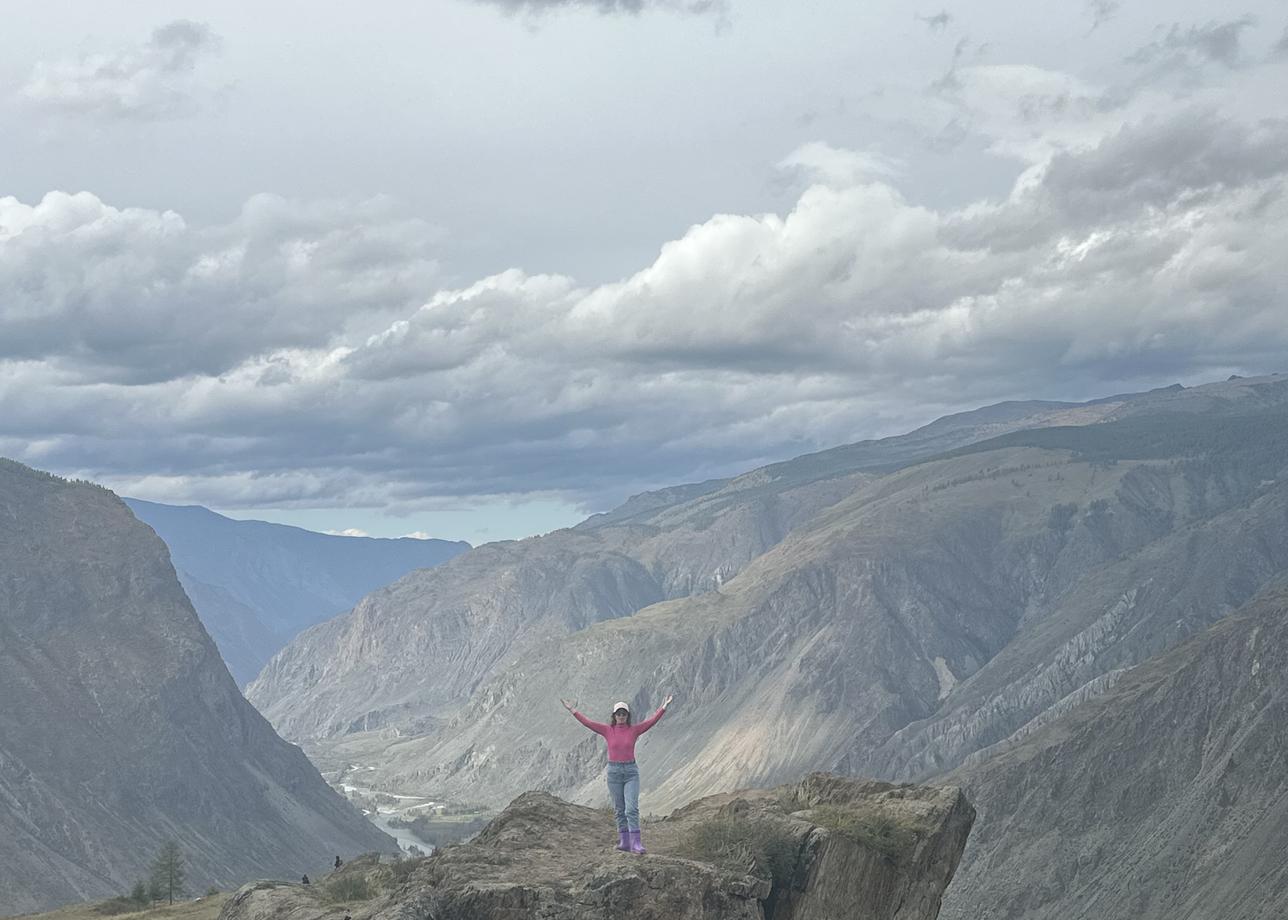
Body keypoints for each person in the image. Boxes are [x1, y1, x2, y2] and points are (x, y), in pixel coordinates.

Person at [561, 694, 673, 855]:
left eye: (624, 713)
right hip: (614, 773)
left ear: (628, 716)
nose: (621, 716)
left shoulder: (634, 730)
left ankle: (636, 843)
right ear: (614, 716)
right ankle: (624, 842)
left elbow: (651, 722)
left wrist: (664, 707)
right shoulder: (607, 730)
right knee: (619, 809)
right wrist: (572, 710)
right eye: (618, 714)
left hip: (630, 772)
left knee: (631, 809)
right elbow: (588, 723)